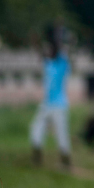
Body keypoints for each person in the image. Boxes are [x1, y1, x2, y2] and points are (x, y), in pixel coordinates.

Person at [30, 25, 72, 169]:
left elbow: (59, 47)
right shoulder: (48, 64)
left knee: (61, 134)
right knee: (36, 129)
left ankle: (66, 162)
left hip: (59, 105)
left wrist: (58, 32)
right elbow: (41, 53)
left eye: (51, 49)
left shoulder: (62, 63)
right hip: (47, 104)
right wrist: (35, 41)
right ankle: (37, 157)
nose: (49, 51)